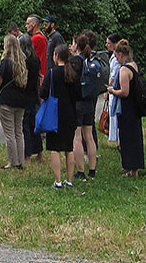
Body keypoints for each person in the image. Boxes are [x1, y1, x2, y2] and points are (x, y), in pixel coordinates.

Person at [0, 34, 37, 170]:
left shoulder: (5, 62)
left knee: (9, 133)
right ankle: (20, 161)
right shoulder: (22, 62)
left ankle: (12, 161)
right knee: (19, 131)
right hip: (21, 99)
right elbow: (25, 81)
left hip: (6, 99)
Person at [40, 45, 80, 189]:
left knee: (55, 148)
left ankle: (58, 180)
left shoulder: (52, 73)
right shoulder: (72, 73)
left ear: (56, 56)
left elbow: (43, 93)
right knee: (69, 148)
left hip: (54, 114)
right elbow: (78, 94)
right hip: (70, 114)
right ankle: (69, 180)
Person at [106, 39, 146, 177]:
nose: (116, 58)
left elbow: (124, 91)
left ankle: (132, 168)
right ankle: (132, 166)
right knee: (134, 137)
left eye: (116, 55)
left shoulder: (124, 70)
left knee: (128, 138)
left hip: (127, 107)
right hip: (135, 107)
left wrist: (112, 91)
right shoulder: (134, 65)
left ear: (120, 54)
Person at [70, 31, 100, 180]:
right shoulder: (91, 60)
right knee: (89, 136)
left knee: (77, 137)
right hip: (90, 101)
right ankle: (92, 169)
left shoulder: (75, 61)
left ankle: (80, 170)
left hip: (78, 102)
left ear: (77, 45)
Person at [24, 15, 48, 162]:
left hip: (34, 81)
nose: (26, 26)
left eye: (28, 23)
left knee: (28, 120)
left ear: (33, 24)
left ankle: (28, 152)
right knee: (34, 118)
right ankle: (38, 152)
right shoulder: (43, 38)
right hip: (38, 77)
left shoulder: (36, 39)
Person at [104, 34, 123, 144]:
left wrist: (108, 88)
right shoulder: (113, 56)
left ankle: (118, 138)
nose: (107, 45)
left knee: (114, 111)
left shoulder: (116, 59)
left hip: (114, 87)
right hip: (113, 87)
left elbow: (113, 75)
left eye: (109, 43)